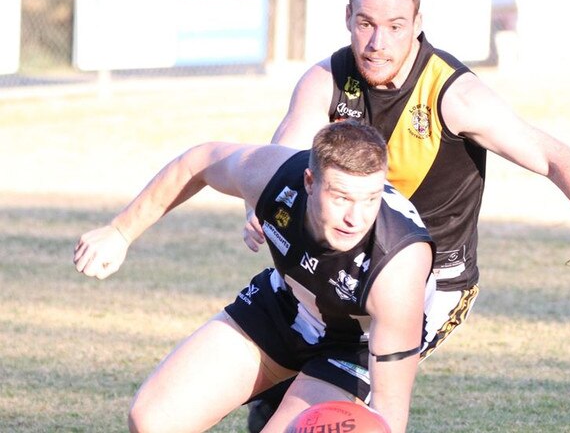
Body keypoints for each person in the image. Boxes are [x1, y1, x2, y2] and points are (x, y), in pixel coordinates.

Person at [243, 0, 570, 431]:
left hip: (432, 284)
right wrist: (259, 202)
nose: (379, 42)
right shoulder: (327, 80)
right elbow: (285, 154)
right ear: (348, 18)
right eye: (366, 23)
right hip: (339, 267)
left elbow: (552, 157)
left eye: (396, 25)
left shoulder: (453, 95)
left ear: (418, 23)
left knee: (303, 419)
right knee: (270, 404)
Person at [73, 121, 435, 433]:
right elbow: (197, 161)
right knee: (152, 419)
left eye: (370, 199)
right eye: (341, 197)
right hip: (288, 303)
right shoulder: (276, 179)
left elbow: (388, 415)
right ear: (310, 182)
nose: (356, 218)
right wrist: (120, 232)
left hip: (355, 343)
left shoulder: (398, 265)